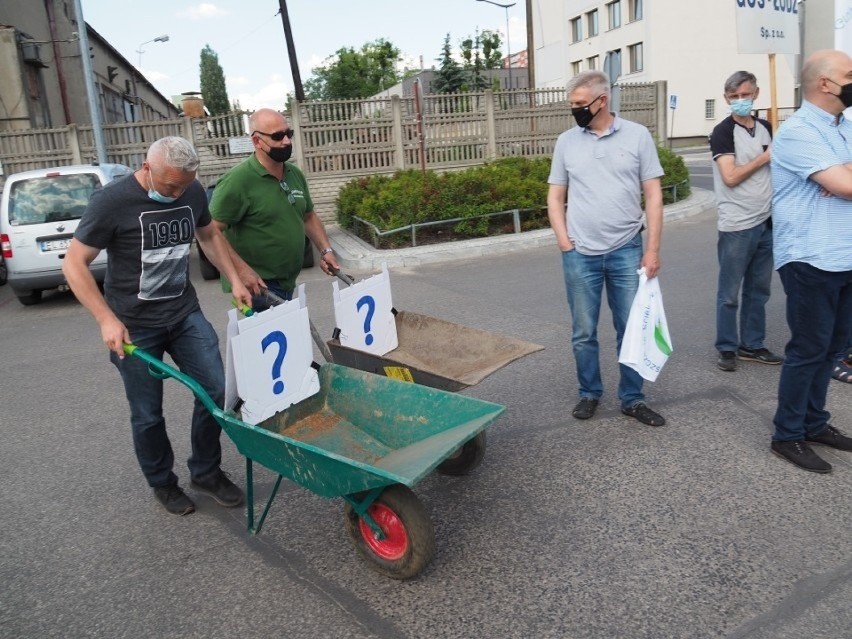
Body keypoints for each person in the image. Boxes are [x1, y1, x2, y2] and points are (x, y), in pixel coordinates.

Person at [62, 136, 253, 515]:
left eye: (185, 185)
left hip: (183, 314)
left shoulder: (191, 189)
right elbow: (73, 263)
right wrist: (106, 319)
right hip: (134, 328)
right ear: (146, 168)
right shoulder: (112, 202)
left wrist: (233, 277)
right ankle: (162, 483)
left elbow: (208, 233)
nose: (179, 192)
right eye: (170, 186)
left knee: (216, 391)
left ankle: (206, 471)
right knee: (148, 414)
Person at [547, 70, 666, 427]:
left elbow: (654, 194)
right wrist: (565, 242)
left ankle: (632, 398)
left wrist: (653, 250)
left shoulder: (638, 136)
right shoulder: (566, 142)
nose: (576, 110)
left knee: (631, 328)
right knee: (584, 331)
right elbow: (555, 196)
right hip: (580, 253)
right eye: (572, 105)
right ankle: (589, 393)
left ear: (603, 100)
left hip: (627, 249)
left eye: (581, 104)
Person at [769, 49, 852, 473]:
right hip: (810, 257)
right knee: (808, 349)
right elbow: (845, 184)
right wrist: (839, 178)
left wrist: (840, 177)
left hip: (846, 257)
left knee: (833, 349)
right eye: (849, 74)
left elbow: (842, 181)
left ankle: (815, 422)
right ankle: (788, 434)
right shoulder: (799, 131)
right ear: (825, 83)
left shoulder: (845, 127)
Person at [210, 108, 340, 308]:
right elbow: (211, 231)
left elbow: (308, 216)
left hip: (286, 281)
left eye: (288, 134)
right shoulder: (237, 181)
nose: (286, 141)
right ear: (256, 141)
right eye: (278, 136)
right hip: (258, 286)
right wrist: (242, 272)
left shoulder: (294, 174)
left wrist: (326, 250)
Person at [709, 70, 783, 372]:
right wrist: (764, 158)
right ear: (726, 98)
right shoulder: (723, 132)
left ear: (756, 93)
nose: (741, 100)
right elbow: (730, 177)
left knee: (759, 289)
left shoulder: (767, 127)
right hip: (737, 223)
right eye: (734, 96)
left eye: (746, 95)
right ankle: (726, 347)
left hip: (767, 221)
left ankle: (752, 344)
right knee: (729, 292)